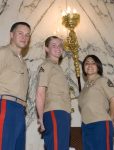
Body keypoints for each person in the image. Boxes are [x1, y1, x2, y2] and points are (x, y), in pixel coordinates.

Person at [36, 36, 71, 150]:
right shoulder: (46, 65)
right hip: (54, 112)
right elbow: (40, 93)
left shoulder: (57, 67)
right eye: (53, 45)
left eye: (60, 45)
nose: (58, 48)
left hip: (63, 113)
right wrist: (41, 120)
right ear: (46, 48)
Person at [79, 54, 114, 150]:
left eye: (93, 63)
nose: (89, 65)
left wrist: (111, 119)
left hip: (100, 125)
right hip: (85, 126)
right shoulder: (85, 87)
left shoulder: (103, 80)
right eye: (86, 63)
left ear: (98, 66)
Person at [0, 22, 31, 150]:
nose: (24, 37)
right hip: (5, 106)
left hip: (20, 110)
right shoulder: (3, 52)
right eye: (20, 33)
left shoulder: (23, 62)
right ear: (11, 35)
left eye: (27, 35)